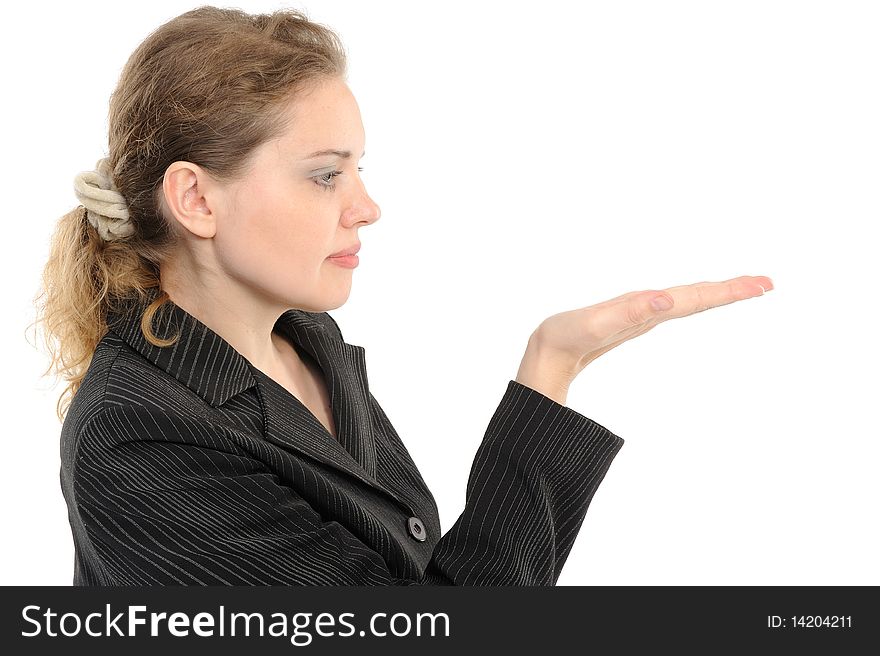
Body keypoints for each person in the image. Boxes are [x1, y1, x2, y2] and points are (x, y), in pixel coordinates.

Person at [35, 6, 773, 586]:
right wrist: (549, 370)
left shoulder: (306, 344)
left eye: (358, 169)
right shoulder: (140, 436)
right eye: (327, 174)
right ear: (196, 198)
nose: (366, 206)